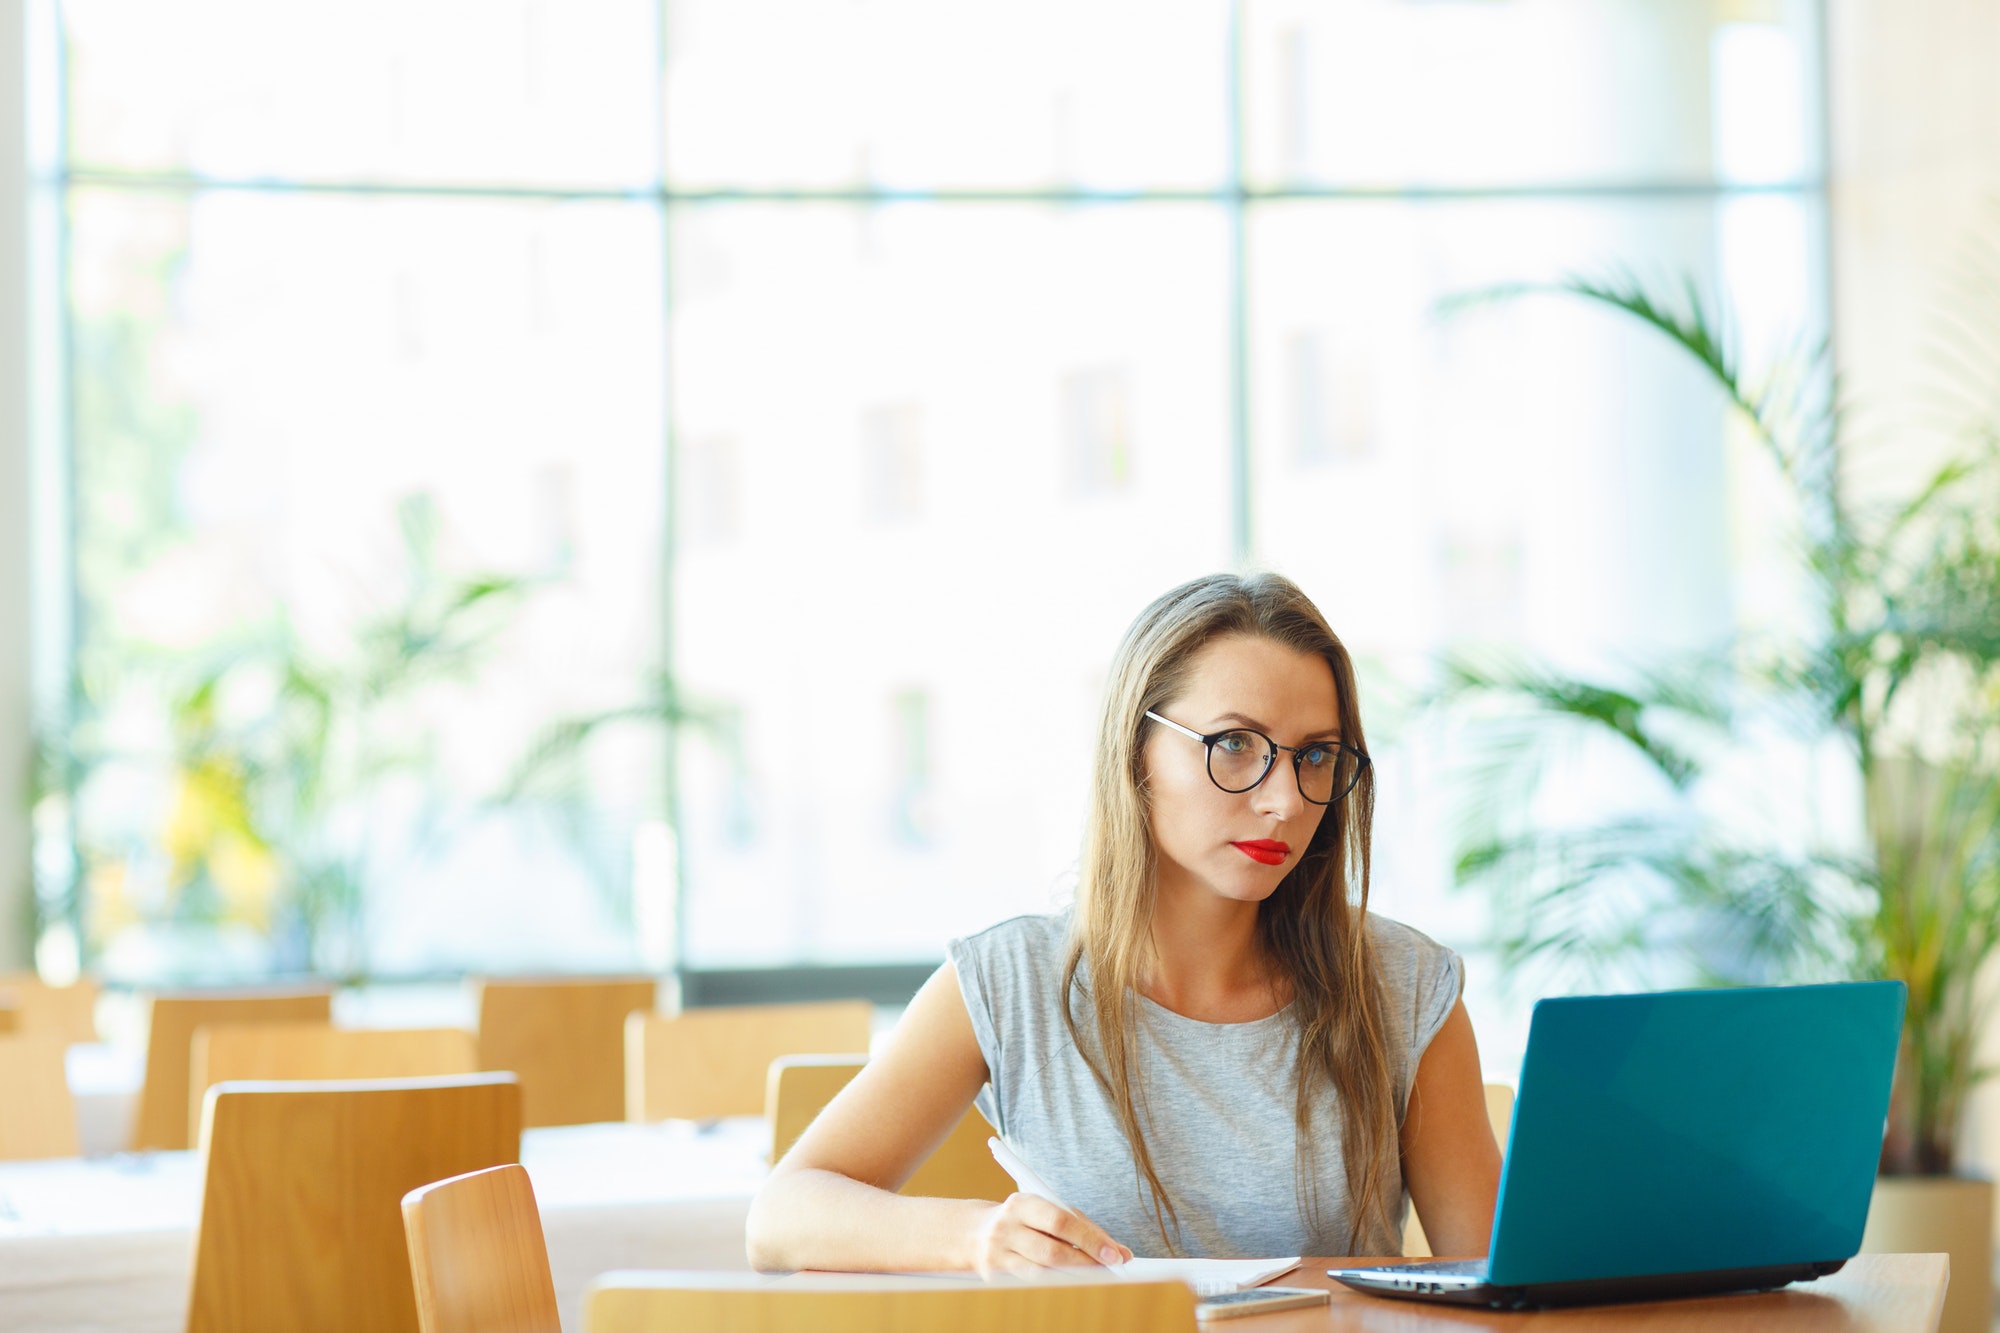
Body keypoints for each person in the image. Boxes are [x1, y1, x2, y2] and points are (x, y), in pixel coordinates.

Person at [745, 571, 1501, 1275]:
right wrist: (979, 1235)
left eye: (1316, 755)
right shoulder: (1014, 981)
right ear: (1136, 750)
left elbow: (1503, 1279)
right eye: (1235, 745)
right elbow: (781, 1215)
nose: (1285, 799)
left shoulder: (1401, 984)